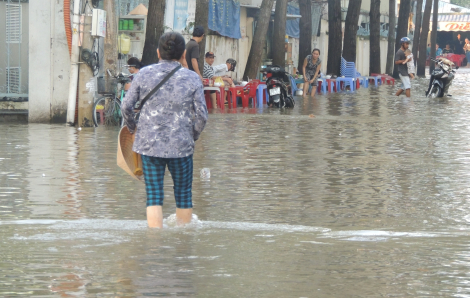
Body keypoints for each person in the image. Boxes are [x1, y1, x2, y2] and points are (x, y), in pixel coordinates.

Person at [121, 32, 208, 228]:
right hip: (182, 146)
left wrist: (133, 129)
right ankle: (183, 242)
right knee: (184, 193)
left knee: (153, 193)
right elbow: (202, 115)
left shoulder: (143, 74)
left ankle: (155, 241)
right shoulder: (192, 78)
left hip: (149, 145)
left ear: (158, 52)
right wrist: (191, 135)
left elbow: (126, 106)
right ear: (183, 54)